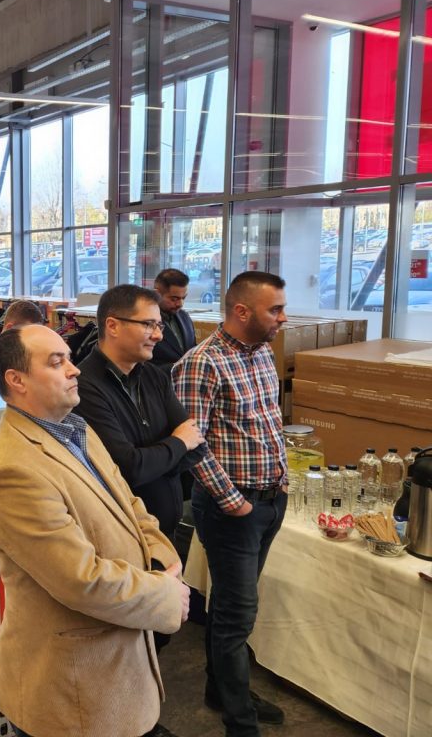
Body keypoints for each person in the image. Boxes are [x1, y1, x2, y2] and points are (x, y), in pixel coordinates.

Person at [0, 324, 189, 737]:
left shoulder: (77, 430)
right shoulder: (12, 470)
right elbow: (80, 580)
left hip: (116, 671)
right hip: (73, 696)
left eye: (69, 358)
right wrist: (164, 593)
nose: (74, 369)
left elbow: (130, 505)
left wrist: (163, 561)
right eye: (56, 362)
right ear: (17, 380)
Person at [172, 271, 289, 737]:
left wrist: (281, 483)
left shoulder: (262, 353)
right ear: (242, 311)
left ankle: (220, 690)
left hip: (269, 500)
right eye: (275, 309)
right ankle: (240, 723)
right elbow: (191, 444)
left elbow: (268, 421)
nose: (283, 317)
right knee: (237, 617)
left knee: (228, 606)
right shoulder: (201, 363)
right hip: (231, 510)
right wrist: (233, 502)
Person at [75, 285, 207, 542]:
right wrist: (179, 443)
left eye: (159, 325)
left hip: (165, 531)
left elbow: (198, 447)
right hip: (122, 537)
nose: (158, 335)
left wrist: (155, 462)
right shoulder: (84, 387)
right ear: (112, 326)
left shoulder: (155, 377)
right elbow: (129, 468)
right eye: (148, 325)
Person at [152, 269, 197, 371]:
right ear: (157, 294)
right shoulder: (144, 322)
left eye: (183, 298)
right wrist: (179, 367)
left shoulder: (184, 317)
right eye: (174, 299)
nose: (180, 304)